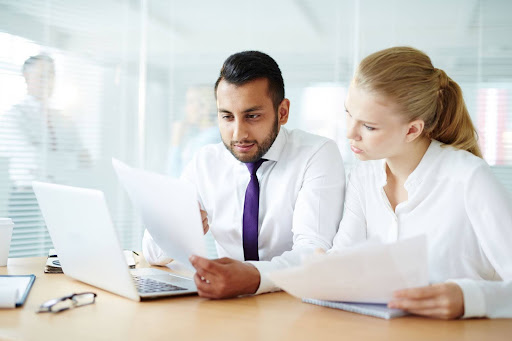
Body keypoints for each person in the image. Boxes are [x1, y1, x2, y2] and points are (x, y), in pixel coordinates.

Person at [143, 51, 345, 298]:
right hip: (230, 306)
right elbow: (152, 254)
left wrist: (254, 277)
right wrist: (179, 228)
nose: (239, 133)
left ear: (282, 112)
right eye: (227, 116)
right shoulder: (205, 162)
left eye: (252, 116)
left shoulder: (317, 154)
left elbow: (313, 252)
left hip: (295, 303)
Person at [331, 46, 512, 319]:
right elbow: (341, 261)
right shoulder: (363, 176)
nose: (349, 133)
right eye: (348, 113)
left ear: (412, 130)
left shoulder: (469, 178)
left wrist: (469, 298)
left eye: (368, 126)